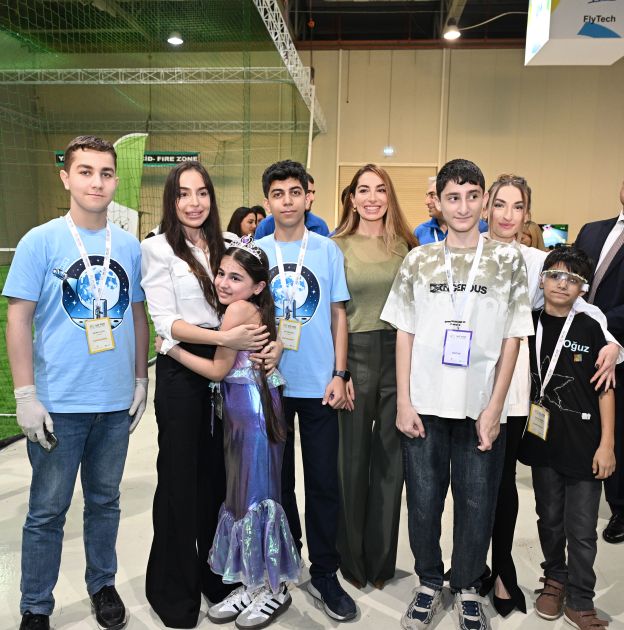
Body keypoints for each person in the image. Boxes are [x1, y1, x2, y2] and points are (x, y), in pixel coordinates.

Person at [3, 135, 149, 630]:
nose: (96, 182)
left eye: (105, 173)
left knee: (105, 503)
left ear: (116, 181)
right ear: (66, 178)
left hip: (113, 405)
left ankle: (102, 584)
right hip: (58, 405)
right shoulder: (40, 241)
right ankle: (35, 605)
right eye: (85, 171)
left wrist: (140, 378)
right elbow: (18, 319)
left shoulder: (127, 246)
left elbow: (137, 315)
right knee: (47, 511)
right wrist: (26, 395)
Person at [381, 158, 534, 630]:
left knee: (476, 503)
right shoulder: (419, 260)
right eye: (453, 197)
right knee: (424, 502)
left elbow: (512, 337)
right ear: (439, 203)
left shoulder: (507, 260)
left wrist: (495, 408)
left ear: (484, 201)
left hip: (479, 407)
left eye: (471, 197)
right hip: (425, 405)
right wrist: (404, 401)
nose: (463, 207)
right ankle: (429, 581)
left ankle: (467, 585)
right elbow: (404, 332)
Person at [140, 161, 280, 629]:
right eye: (183, 193)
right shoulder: (157, 248)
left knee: (218, 483)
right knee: (179, 481)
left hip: (230, 371)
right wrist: (224, 340)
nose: (194, 202)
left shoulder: (226, 243)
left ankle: (217, 576)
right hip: (186, 370)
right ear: (171, 199)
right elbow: (165, 322)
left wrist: (272, 344)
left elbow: (259, 301)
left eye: (202, 192)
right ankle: (173, 589)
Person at [481, 174, 621, 617]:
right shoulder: (468, 252)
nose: (507, 215)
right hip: (476, 388)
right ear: (486, 207)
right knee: (483, 489)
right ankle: (480, 568)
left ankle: (529, 580)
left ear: (527, 214)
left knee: (516, 490)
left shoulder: (539, 265)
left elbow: (587, 311)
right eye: (499, 204)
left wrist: (613, 344)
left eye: (517, 206)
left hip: (524, 401)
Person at [154, 239, 300, 629]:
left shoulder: (237, 310)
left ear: (257, 286)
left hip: (253, 413)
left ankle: (275, 587)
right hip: (243, 411)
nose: (223, 282)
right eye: (221, 273)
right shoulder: (248, 306)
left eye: (236, 277)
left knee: (256, 498)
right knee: (242, 496)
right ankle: (252, 582)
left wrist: (170, 349)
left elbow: (218, 370)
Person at [255, 160, 357, 622]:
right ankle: (286, 555)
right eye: (278, 194)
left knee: (322, 482)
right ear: (268, 201)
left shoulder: (326, 249)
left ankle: (325, 572)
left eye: (295, 192)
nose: (287, 201)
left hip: (318, 384)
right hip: (271, 384)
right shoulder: (256, 252)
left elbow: (338, 315)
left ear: (308, 197)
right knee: (278, 482)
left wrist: (340, 373)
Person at [518, 247, 615, 629]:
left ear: (583, 289)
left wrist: (607, 445)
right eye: (555, 275)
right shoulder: (529, 323)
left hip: (585, 446)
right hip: (543, 443)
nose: (562, 284)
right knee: (549, 518)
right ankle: (555, 579)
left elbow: (606, 389)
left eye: (572, 279)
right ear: (541, 280)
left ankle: (580, 597)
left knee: (583, 528)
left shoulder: (591, 327)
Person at [332, 164, 417, 590]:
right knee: (350, 463)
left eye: (380, 189)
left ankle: (381, 562)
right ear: (351, 198)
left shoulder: (409, 247)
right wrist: (339, 371)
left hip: (399, 357)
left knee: (390, 466)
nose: (371, 198)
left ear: (389, 196)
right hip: (353, 355)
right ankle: (351, 561)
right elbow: (334, 314)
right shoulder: (335, 247)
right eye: (363, 190)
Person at [575, 183, 624, 546]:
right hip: (578, 345)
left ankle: (620, 507)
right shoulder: (592, 231)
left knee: (618, 429)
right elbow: (573, 276)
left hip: (619, 345)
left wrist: (605, 331)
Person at [254, 172, 330, 239]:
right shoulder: (264, 227)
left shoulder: (320, 226)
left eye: (313, 193)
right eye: (278, 194)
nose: (312, 198)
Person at [414, 176, 446, 244]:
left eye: (432, 195)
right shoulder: (420, 232)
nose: (426, 202)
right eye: (427, 196)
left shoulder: (464, 229)